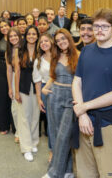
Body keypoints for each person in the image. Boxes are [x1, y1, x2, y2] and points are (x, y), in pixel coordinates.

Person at [72, 8, 112, 178]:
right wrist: (82, 114)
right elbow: (77, 82)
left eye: (104, 26)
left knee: (110, 174)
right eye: (96, 26)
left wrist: (83, 107)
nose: (99, 30)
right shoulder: (86, 51)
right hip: (83, 122)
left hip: (106, 124)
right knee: (85, 173)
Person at [42, 29, 78, 178]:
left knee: (65, 136)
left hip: (71, 98)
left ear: (69, 38)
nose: (61, 42)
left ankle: (54, 172)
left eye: (63, 39)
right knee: (56, 135)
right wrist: (45, 88)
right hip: (55, 96)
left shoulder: (79, 56)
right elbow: (53, 76)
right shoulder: (56, 56)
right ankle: (68, 171)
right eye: (57, 40)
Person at [14, 25, 40, 162]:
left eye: (34, 34)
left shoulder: (41, 50)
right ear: (26, 36)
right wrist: (16, 91)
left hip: (37, 87)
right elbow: (17, 72)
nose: (31, 36)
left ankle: (34, 142)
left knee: (35, 116)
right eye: (29, 34)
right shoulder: (19, 50)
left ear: (37, 36)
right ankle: (26, 148)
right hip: (23, 86)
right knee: (24, 117)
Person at [33, 33, 54, 162]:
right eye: (41, 42)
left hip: (63, 89)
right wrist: (39, 99)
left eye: (46, 41)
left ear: (52, 42)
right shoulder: (38, 60)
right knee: (51, 123)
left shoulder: (60, 56)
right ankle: (52, 150)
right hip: (47, 92)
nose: (44, 43)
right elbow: (37, 81)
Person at [6, 27, 23, 143]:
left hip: (25, 79)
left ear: (20, 36)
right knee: (15, 109)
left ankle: (24, 132)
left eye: (15, 35)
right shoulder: (9, 50)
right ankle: (18, 132)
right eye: (11, 36)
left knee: (24, 108)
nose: (13, 38)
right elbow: (9, 70)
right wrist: (10, 88)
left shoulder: (24, 48)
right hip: (13, 79)